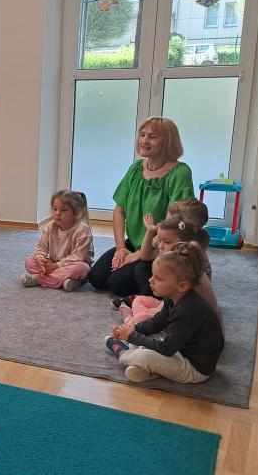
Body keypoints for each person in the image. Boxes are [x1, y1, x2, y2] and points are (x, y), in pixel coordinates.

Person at [87, 117, 194, 297]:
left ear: (168, 141)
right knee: (96, 278)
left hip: (160, 248)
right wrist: (121, 248)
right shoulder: (136, 169)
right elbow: (119, 211)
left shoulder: (180, 172)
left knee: (116, 284)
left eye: (152, 136)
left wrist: (138, 255)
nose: (144, 140)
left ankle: (157, 286)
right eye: (142, 135)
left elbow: (173, 223)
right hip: (134, 243)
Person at [105, 242, 223, 384]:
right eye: (153, 275)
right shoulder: (173, 298)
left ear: (182, 286)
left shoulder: (187, 310)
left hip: (194, 369)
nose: (150, 280)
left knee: (145, 356)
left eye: (158, 278)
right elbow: (156, 323)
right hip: (180, 352)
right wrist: (133, 329)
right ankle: (149, 370)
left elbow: (167, 349)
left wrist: (131, 337)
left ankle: (124, 352)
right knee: (149, 337)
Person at [117, 214, 220, 327]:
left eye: (166, 242)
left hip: (190, 320)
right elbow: (145, 256)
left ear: (184, 244)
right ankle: (136, 313)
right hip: (173, 306)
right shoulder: (176, 257)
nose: (160, 246)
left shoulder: (187, 269)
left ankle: (130, 320)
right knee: (140, 300)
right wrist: (150, 231)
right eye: (160, 240)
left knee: (141, 317)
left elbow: (175, 313)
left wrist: (150, 317)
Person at [22, 190, 93, 291]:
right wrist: (40, 259)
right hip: (55, 262)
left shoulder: (82, 230)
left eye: (63, 210)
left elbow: (78, 257)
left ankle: (39, 279)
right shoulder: (50, 226)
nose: (57, 213)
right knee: (29, 261)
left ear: (76, 212)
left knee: (82, 268)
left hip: (74, 263)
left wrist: (56, 266)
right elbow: (41, 247)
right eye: (55, 209)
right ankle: (64, 280)